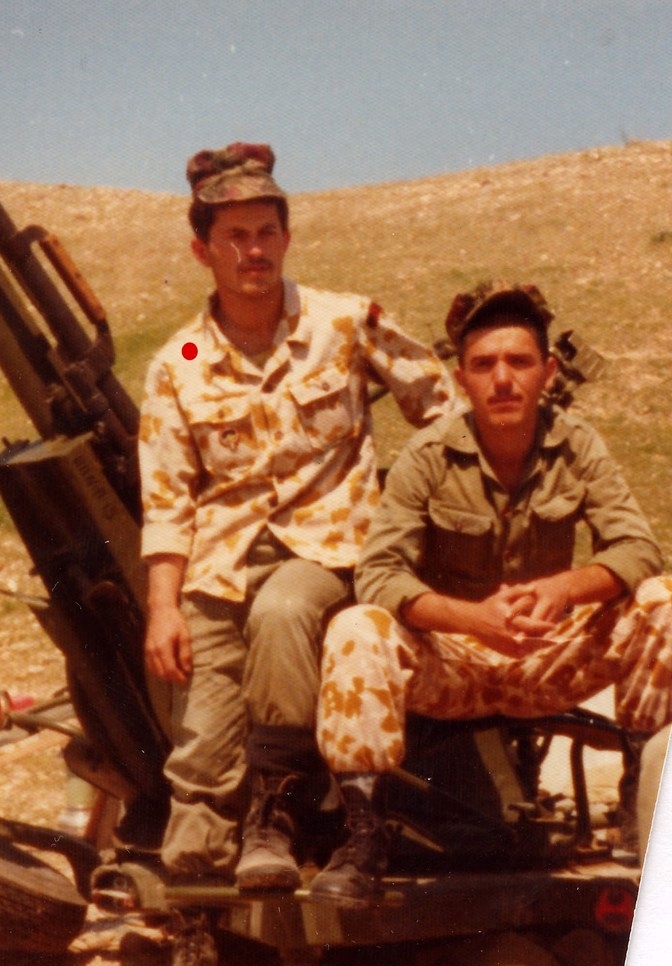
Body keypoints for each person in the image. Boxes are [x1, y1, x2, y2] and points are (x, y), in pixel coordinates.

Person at [137, 142, 455, 898]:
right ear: (202, 250)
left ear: (286, 236)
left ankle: (275, 818)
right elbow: (168, 498)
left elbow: (443, 410)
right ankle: (204, 897)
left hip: (332, 550)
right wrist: (163, 607)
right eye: (234, 237)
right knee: (201, 760)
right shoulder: (181, 358)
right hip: (223, 566)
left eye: (266, 232)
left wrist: (421, 513)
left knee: (282, 611)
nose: (253, 251)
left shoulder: (345, 322)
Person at [311, 280, 672, 905]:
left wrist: (565, 588)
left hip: (546, 656)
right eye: (484, 365)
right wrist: (471, 619)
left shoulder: (577, 444)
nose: (502, 380)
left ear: (547, 372)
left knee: (663, 601)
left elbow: (638, 548)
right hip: (454, 662)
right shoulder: (428, 456)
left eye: (519, 362)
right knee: (357, 627)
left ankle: (641, 807)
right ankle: (363, 837)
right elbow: (380, 573)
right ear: (462, 379)